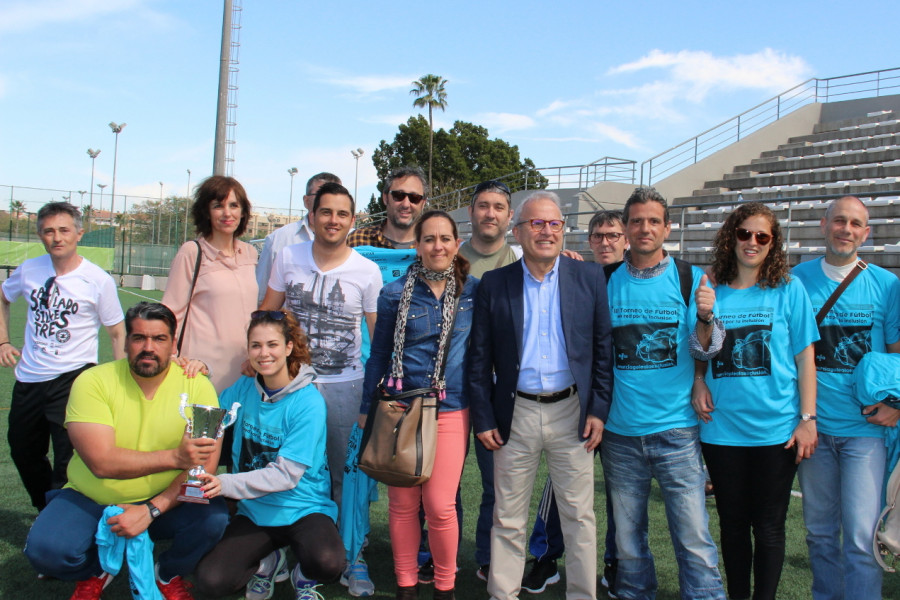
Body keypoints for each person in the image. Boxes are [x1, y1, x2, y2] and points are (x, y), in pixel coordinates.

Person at [24, 302, 229, 600]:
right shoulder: (92, 381)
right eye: (138, 338)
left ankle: (168, 572)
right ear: (126, 343)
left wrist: (151, 509)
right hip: (92, 497)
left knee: (213, 517)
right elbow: (101, 463)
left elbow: (204, 469)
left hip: (164, 501)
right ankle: (97, 569)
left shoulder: (199, 385)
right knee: (46, 552)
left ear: (174, 344)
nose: (148, 347)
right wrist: (174, 457)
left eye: (159, 339)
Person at [470, 191, 613, 600]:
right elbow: (479, 360)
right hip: (515, 414)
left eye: (554, 224)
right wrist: (483, 418)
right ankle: (503, 594)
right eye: (536, 223)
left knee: (579, 518)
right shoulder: (495, 284)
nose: (546, 232)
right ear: (518, 231)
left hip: (572, 413)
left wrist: (598, 410)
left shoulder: (587, 279)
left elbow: (603, 351)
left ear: (563, 231)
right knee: (508, 518)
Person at [601, 187, 726, 600]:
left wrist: (706, 316)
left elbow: (704, 346)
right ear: (625, 228)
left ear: (667, 228)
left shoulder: (690, 278)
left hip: (677, 430)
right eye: (636, 220)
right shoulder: (605, 280)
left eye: (654, 220)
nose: (644, 228)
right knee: (628, 544)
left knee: (694, 539)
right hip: (619, 434)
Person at [260, 181, 381, 596]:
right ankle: (277, 548)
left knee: (344, 476)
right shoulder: (287, 256)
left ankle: (352, 552)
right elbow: (268, 311)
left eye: (342, 214)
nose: (333, 221)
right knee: (286, 469)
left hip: (346, 386)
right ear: (312, 216)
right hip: (293, 387)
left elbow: (377, 337)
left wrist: (377, 393)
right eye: (326, 212)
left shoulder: (366, 270)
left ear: (352, 220)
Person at [693, 201, 818, 600]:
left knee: (768, 526)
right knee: (731, 524)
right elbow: (699, 348)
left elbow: (805, 357)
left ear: (773, 243)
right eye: (744, 233)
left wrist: (807, 418)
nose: (752, 241)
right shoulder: (710, 287)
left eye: (761, 236)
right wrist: (699, 379)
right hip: (722, 428)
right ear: (731, 236)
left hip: (776, 428)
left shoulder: (788, 288)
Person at [361, 210, 476, 600]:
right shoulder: (394, 293)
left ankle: (445, 586)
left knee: (441, 506)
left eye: (445, 238)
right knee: (403, 502)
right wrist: (366, 408)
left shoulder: (473, 291)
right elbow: (378, 356)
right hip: (400, 408)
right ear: (417, 245)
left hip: (450, 408)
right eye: (429, 239)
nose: (438, 246)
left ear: (456, 243)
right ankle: (406, 585)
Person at [195, 310, 345, 600]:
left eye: (272, 345)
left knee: (327, 563)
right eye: (256, 345)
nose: (264, 353)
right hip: (254, 510)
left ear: (289, 347)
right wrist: (196, 375)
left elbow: (286, 476)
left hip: (303, 507)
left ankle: (303, 572)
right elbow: (208, 416)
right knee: (211, 581)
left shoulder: (308, 402)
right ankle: (270, 561)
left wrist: (223, 484)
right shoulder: (242, 389)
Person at [793, 196, 900, 600]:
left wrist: (897, 404)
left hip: (865, 432)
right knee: (819, 534)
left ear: (866, 233)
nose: (846, 230)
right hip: (813, 428)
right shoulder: (797, 279)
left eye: (856, 224)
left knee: (860, 537)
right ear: (824, 225)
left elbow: (898, 354)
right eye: (840, 221)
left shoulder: (887, 285)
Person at [523, 208, 631, 594]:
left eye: (613, 235)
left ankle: (616, 562)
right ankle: (546, 555)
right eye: (598, 236)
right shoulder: (573, 273)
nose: (605, 242)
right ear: (587, 241)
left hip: (627, 405)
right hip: (580, 400)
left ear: (626, 240)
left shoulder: (634, 277)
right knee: (560, 486)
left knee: (621, 490)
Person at [0, 201, 125, 512]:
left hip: (74, 379)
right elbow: (3, 297)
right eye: (49, 231)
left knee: (69, 459)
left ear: (78, 233)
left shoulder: (97, 280)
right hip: (29, 378)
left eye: (64, 230)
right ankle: (46, 509)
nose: (57, 237)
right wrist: (3, 341)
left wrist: (123, 381)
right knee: (23, 450)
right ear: (41, 235)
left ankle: (60, 517)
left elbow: (117, 333)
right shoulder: (29, 270)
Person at [162, 174, 258, 394]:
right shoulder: (192, 252)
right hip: (202, 370)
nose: (227, 213)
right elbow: (170, 312)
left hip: (245, 370)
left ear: (243, 212)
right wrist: (171, 358)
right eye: (218, 206)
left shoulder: (250, 253)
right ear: (206, 211)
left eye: (234, 205)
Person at [255, 172, 342, 303]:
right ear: (306, 201)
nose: (328, 201)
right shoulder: (279, 239)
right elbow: (261, 296)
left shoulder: (352, 240)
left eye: (335, 195)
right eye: (320, 194)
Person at [347, 166, 428, 249]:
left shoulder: (433, 247)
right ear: (385, 198)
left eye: (414, 197)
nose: (406, 204)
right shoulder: (356, 241)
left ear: (423, 203)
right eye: (398, 195)